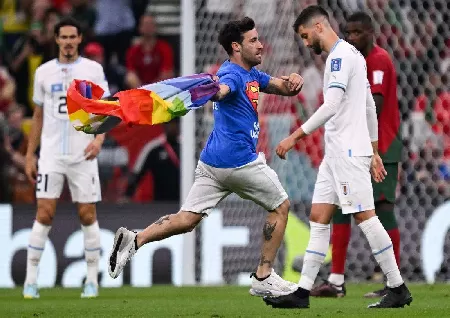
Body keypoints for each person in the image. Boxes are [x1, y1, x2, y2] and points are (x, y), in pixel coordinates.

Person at [107, 16, 304, 297]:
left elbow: (282, 87)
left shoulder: (252, 74)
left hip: (212, 163)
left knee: (187, 219)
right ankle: (264, 275)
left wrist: (293, 80)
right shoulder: (232, 75)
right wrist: (213, 92)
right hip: (238, 162)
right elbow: (223, 90)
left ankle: (134, 239)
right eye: (253, 41)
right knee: (281, 206)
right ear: (236, 47)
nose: (261, 45)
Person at [263, 6, 412, 309]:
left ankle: (397, 287)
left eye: (306, 36)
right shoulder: (353, 57)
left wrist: (295, 136)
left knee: (365, 217)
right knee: (319, 217)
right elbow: (369, 105)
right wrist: (373, 150)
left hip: (346, 151)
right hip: (338, 153)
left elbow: (331, 105)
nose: (306, 44)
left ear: (319, 27)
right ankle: (303, 292)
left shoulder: (340, 58)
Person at [309, 11, 403, 299]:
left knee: (382, 210)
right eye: (348, 32)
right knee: (339, 208)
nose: (352, 37)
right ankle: (336, 280)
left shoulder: (378, 60)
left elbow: (372, 103)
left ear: (371, 32)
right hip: (353, 148)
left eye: (358, 32)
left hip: (381, 148)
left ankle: (393, 282)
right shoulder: (352, 60)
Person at [23, 17, 110, 299]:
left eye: (73, 37)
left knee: (87, 215)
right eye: (64, 37)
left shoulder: (92, 70)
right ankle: (30, 281)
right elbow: (37, 116)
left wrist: (98, 140)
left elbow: (104, 109)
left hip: (82, 153)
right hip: (50, 154)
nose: (69, 42)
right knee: (44, 213)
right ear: (57, 40)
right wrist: (29, 155)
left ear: (80, 39)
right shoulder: (44, 72)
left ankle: (92, 281)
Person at [121, 117, 181, 202]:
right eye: (169, 123)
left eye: (176, 123)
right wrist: (127, 195)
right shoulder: (153, 148)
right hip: (160, 203)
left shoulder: (187, 148)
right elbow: (137, 173)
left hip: (185, 202)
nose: (173, 127)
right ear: (163, 125)